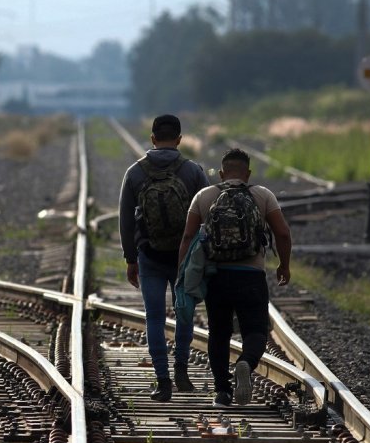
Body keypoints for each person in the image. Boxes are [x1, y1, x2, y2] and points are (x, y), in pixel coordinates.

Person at [178, 148, 291, 407]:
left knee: (218, 333)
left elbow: (187, 237)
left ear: (221, 173)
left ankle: (222, 392)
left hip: (217, 276)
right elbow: (283, 233)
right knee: (256, 330)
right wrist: (284, 265)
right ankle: (245, 363)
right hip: (251, 276)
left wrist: (182, 276)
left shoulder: (204, 196)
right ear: (248, 173)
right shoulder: (263, 195)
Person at [119, 114, 210, 401]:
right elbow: (210, 215)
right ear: (180, 139)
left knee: (154, 317)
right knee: (185, 313)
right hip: (186, 258)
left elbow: (125, 221)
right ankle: (182, 369)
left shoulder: (135, 173)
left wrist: (130, 259)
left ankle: (163, 380)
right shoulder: (193, 171)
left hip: (150, 255)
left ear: (153, 139)